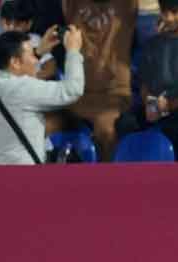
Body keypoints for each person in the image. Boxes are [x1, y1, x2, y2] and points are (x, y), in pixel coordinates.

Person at [0, 28, 85, 164]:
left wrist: (38, 52)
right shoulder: (23, 88)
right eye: (31, 54)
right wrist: (73, 51)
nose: (36, 61)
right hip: (21, 177)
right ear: (15, 62)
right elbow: (72, 90)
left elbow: (15, 72)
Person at [62, 0, 137, 161]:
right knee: (45, 123)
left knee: (105, 129)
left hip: (114, 94)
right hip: (79, 93)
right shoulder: (73, 5)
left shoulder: (125, 7)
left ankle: (108, 180)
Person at [123, 0, 178, 157]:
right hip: (153, 108)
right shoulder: (152, 44)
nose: (169, 18)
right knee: (124, 124)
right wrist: (151, 106)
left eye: (175, 12)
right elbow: (144, 84)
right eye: (165, 12)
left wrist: (168, 106)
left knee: (175, 130)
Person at [0, 0, 60, 80]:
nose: (11, 28)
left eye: (17, 24)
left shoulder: (34, 40)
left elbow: (51, 68)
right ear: (1, 22)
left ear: (29, 24)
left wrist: (29, 83)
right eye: (7, 23)